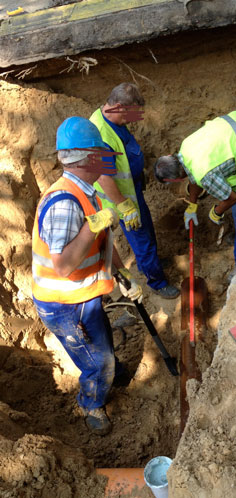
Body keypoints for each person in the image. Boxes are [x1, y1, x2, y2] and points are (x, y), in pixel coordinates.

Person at [32, 116, 143, 436]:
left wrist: (121, 271)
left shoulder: (85, 191)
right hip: (64, 304)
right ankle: (91, 401)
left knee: (101, 342)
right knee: (96, 362)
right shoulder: (65, 203)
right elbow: (63, 265)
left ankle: (110, 368)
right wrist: (92, 225)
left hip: (84, 296)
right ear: (88, 156)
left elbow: (101, 240)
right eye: (101, 151)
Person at [153, 110, 236, 282]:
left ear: (178, 178)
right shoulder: (186, 148)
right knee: (231, 188)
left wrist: (216, 212)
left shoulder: (205, 175)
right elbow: (193, 174)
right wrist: (192, 204)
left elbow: (231, 198)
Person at [89, 82, 180, 299]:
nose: (132, 120)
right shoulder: (100, 133)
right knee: (142, 240)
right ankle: (157, 282)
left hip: (132, 191)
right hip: (119, 201)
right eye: (130, 114)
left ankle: (150, 264)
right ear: (119, 106)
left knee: (147, 231)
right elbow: (103, 176)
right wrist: (123, 205)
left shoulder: (112, 118)